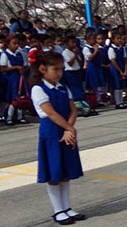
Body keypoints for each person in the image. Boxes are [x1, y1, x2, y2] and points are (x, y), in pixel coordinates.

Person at [29, 51, 86, 225]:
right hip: (52, 134)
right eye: (55, 69)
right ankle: (58, 210)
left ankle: (67, 207)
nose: (59, 73)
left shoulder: (63, 87)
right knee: (54, 173)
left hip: (66, 131)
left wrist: (70, 129)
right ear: (42, 69)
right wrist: (69, 129)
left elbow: (73, 109)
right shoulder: (38, 89)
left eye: (61, 69)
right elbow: (51, 113)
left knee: (66, 172)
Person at [2, 35, 29, 125]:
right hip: (11, 79)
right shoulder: (5, 55)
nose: (16, 45)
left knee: (21, 97)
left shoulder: (19, 54)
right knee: (14, 98)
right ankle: (9, 117)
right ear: (8, 44)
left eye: (17, 43)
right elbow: (2, 68)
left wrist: (23, 69)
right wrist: (15, 67)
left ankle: (20, 116)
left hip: (20, 77)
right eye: (14, 43)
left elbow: (25, 64)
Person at [107, 30, 127, 109]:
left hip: (122, 68)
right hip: (115, 70)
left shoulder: (122, 48)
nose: (119, 40)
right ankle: (118, 102)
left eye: (120, 38)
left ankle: (122, 101)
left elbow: (125, 59)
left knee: (121, 86)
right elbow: (113, 61)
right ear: (113, 40)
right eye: (117, 38)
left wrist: (125, 70)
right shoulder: (111, 49)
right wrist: (120, 71)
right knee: (117, 86)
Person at [61, 37, 85, 102]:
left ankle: (81, 100)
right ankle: (77, 100)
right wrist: (75, 55)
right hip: (70, 72)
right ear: (67, 44)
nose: (74, 44)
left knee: (80, 86)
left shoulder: (75, 51)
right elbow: (70, 63)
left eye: (75, 43)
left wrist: (77, 55)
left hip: (77, 71)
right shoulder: (65, 52)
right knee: (74, 88)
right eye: (72, 43)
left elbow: (80, 63)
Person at [82, 33, 105, 100]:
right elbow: (89, 58)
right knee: (93, 85)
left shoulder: (95, 46)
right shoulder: (86, 48)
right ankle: (93, 100)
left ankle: (99, 99)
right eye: (93, 39)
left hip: (97, 67)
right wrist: (95, 51)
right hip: (92, 68)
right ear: (88, 40)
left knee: (98, 84)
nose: (94, 40)